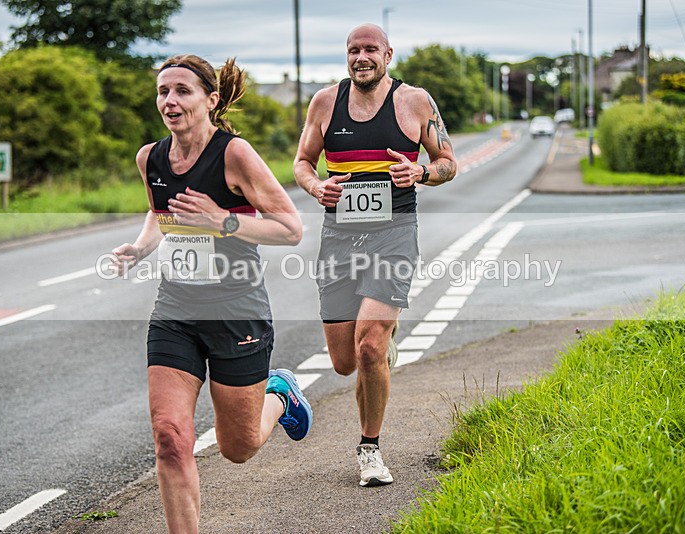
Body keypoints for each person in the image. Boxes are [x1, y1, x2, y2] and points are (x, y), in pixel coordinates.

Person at [110, 54, 312, 533]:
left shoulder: (234, 154)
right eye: (163, 91)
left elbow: (290, 228)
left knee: (237, 448)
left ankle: (279, 394)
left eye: (183, 90)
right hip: (175, 312)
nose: (170, 100)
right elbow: (162, 213)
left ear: (211, 99)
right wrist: (141, 249)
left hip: (236, 312)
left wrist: (221, 219)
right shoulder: (150, 158)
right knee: (170, 438)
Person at [293, 24, 457, 487]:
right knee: (345, 361)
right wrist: (315, 185)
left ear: (388, 54)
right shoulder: (325, 102)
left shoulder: (415, 102)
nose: (361, 57)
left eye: (370, 50)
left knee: (369, 347)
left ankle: (370, 450)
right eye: (353, 50)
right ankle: (379, 347)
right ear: (346, 57)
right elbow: (303, 161)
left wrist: (420, 172)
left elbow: (448, 162)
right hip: (339, 239)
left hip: (395, 235)